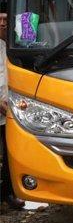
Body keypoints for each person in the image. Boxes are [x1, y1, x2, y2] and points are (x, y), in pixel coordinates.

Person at [0, 13, 25, 210]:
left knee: (10, 156)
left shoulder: (16, 47)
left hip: (12, 112)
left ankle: (8, 194)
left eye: (6, 21)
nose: (2, 24)